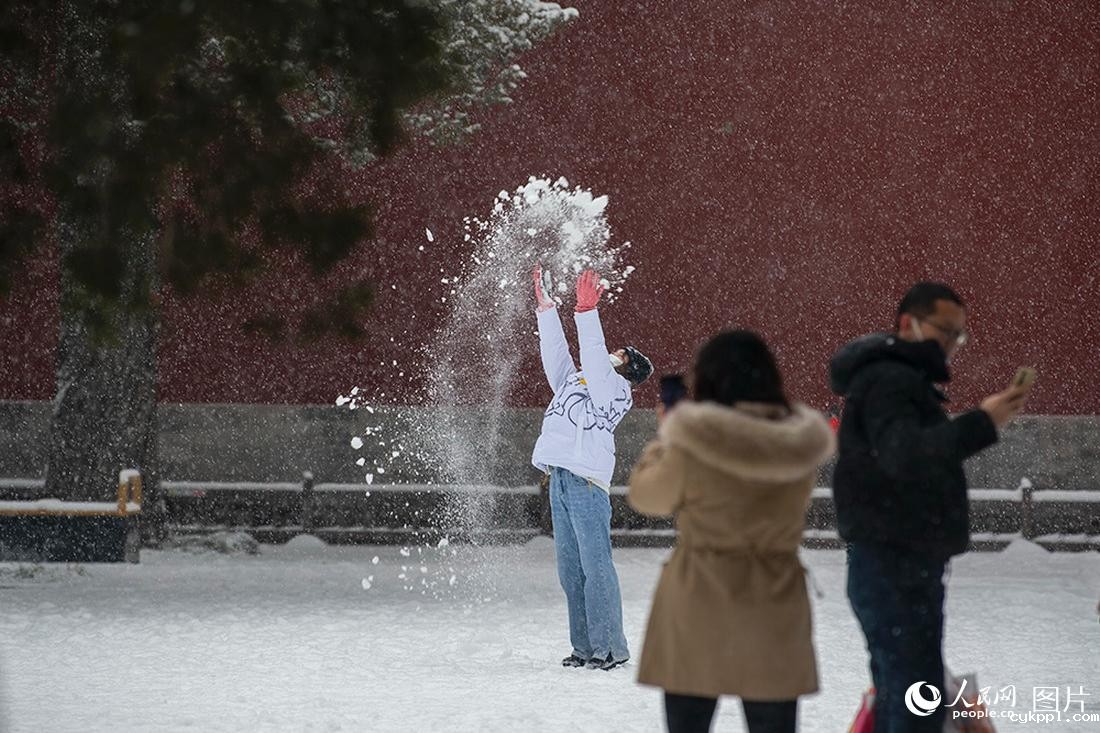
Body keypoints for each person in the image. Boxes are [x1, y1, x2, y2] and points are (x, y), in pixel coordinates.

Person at [829, 282, 1032, 732]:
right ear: (908, 323)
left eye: (959, 335)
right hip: (894, 563)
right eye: (945, 331)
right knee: (914, 699)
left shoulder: (897, 379)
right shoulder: (890, 380)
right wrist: (984, 421)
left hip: (898, 561)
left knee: (904, 694)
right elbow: (907, 455)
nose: (952, 344)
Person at [628, 331, 835, 733]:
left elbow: (647, 496)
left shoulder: (693, 444)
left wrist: (667, 437)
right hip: (775, 597)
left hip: (699, 597)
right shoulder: (796, 444)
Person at [531, 265, 653, 671]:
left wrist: (586, 313)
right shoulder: (579, 381)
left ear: (628, 372)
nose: (612, 354)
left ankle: (610, 648)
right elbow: (557, 358)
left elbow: (596, 363)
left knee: (595, 567)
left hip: (586, 484)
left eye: (621, 355)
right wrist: (547, 311)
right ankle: (583, 647)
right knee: (570, 571)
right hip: (560, 478)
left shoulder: (616, 391)